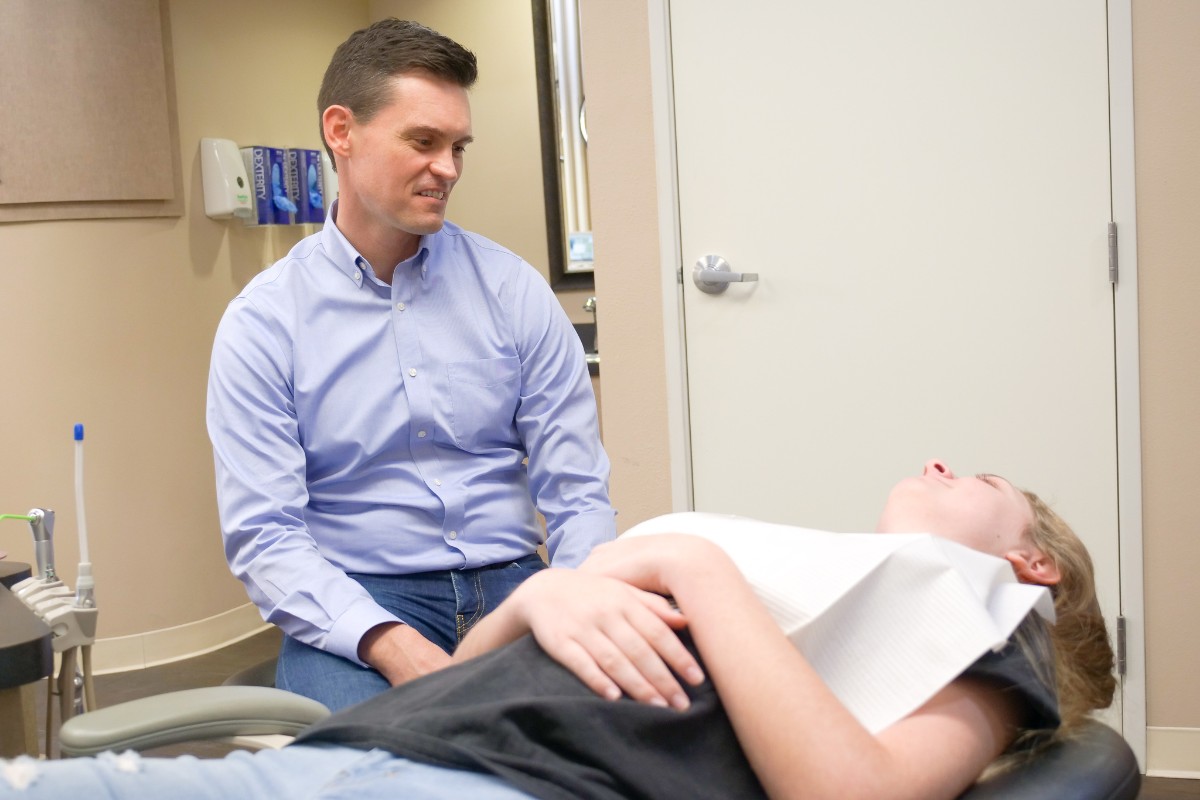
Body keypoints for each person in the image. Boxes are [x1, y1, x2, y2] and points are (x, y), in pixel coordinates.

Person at [0, 459, 1116, 800]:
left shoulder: (989, 610)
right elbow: (452, 683)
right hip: (401, 742)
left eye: (983, 473)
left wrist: (686, 559)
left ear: (1035, 561)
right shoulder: (834, 606)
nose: (938, 462)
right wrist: (539, 598)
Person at [205, 19, 615, 711]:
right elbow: (266, 536)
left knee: (610, 738)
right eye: (423, 142)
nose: (448, 168)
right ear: (342, 131)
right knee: (390, 768)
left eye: (458, 146)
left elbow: (576, 494)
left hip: (514, 582)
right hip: (361, 602)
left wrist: (573, 601)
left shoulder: (513, 292)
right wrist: (391, 643)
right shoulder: (265, 322)